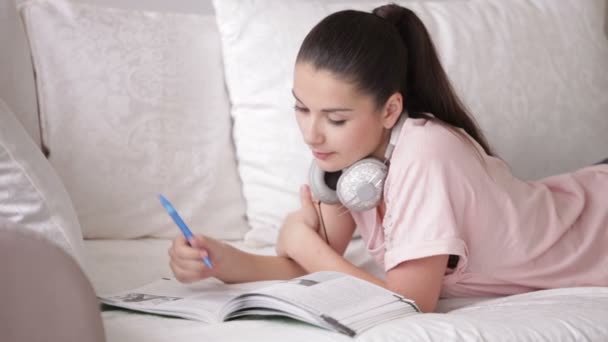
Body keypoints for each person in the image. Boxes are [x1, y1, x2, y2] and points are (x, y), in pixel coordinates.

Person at [168, 4, 608, 313]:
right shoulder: (349, 162)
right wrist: (220, 261)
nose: (311, 133)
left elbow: (410, 300)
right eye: (302, 108)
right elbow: (306, 265)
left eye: (335, 117)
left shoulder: (426, 153)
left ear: (390, 110)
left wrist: (304, 242)